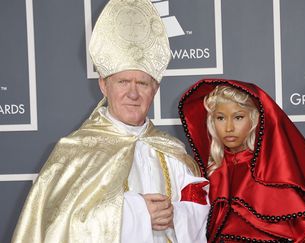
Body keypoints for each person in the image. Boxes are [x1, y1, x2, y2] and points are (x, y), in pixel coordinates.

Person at [11, 0, 209, 242]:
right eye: (123, 82)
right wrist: (138, 214)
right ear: (104, 85)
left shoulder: (171, 151)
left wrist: (175, 214)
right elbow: (63, 224)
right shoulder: (76, 151)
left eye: (143, 83)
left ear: (155, 89)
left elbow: (197, 198)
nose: (133, 93)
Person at [178, 79, 305, 242]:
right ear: (211, 121)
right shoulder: (209, 173)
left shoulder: (272, 177)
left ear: (255, 119)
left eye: (238, 117)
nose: (229, 128)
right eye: (220, 118)